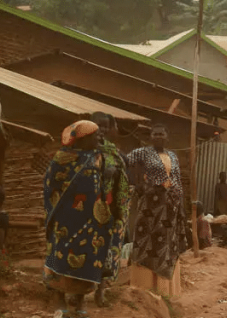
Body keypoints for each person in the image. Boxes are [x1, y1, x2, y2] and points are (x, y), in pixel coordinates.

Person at [43, 120, 112, 317]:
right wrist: (54, 209)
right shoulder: (61, 158)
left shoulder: (99, 158)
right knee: (61, 255)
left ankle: (81, 300)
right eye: (95, 136)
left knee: (87, 257)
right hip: (66, 218)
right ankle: (59, 297)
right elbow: (49, 184)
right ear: (83, 138)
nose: (99, 138)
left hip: (90, 220)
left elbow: (103, 186)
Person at [127, 124, 187, 296]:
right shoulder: (142, 153)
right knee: (146, 241)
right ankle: (144, 288)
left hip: (170, 208)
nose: (159, 136)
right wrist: (136, 185)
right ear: (150, 137)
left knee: (166, 243)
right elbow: (124, 163)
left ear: (167, 137)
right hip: (150, 208)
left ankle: (165, 290)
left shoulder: (173, 156)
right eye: (155, 134)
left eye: (162, 134)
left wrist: (180, 204)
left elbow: (177, 181)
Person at [90, 112, 131, 307]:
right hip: (87, 211)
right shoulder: (84, 150)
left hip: (110, 208)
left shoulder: (115, 153)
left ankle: (101, 292)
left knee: (106, 253)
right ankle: (80, 293)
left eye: (106, 126)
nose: (103, 129)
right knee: (87, 252)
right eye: (99, 125)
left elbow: (124, 173)